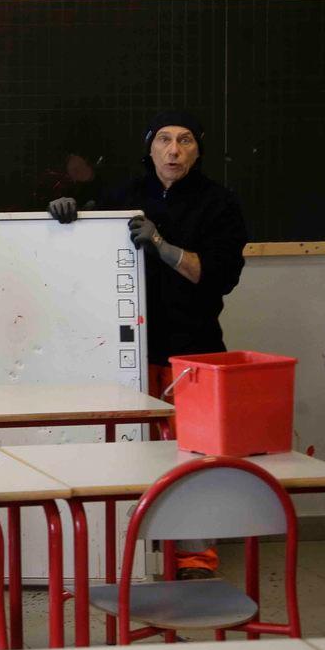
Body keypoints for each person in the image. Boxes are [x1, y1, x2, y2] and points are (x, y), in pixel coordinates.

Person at [49, 110, 247, 578]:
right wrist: (66, 214)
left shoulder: (220, 204)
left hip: (193, 350)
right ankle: (126, 553)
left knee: (193, 456)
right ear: (150, 147)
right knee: (130, 453)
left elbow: (218, 277)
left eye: (184, 141)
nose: (174, 150)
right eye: (164, 140)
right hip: (126, 353)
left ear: (198, 149)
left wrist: (161, 243)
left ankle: (195, 558)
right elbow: (80, 251)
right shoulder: (123, 196)